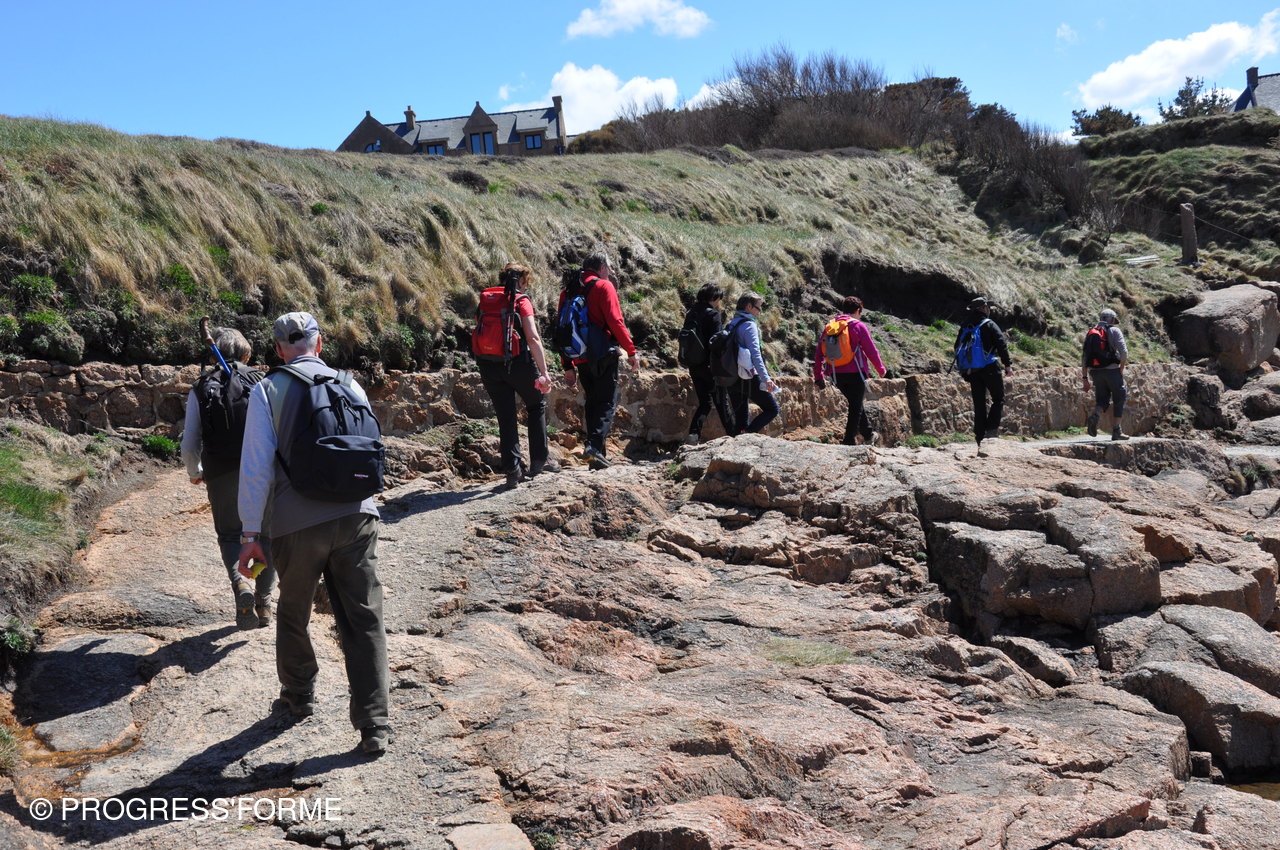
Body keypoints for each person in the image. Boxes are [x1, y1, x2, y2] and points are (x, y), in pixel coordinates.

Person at [236, 312, 391, 756]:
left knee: (294, 610)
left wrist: (250, 534)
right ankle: (374, 724)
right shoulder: (350, 384)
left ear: (279, 349)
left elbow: (256, 468)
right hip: (358, 515)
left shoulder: (268, 389)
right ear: (319, 344)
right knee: (364, 618)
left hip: (297, 522)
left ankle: (299, 694)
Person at [181, 327, 276, 630]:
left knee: (231, 536)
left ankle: (241, 583)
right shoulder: (263, 381)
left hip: (222, 472)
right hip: (264, 471)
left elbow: (190, 442)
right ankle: (263, 602)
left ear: (214, 356)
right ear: (247, 354)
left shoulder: (201, 386)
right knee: (267, 535)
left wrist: (195, 472)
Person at [476, 263, 555, 488]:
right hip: (518, 363)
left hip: (489, 364)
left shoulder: (487, 298)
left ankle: (512, 470)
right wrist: (544, 372)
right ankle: (539, 461)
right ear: (520, 280)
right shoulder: (521, 300)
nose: (526, 285)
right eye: (526, 281)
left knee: (506, 416)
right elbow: (532, 337)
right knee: (536, 404)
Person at [559, 253, 640, 469]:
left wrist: (567, 365)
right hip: (602, 353)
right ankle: (594, 447)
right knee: (607, 402)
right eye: (609, 268)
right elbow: (615, 320)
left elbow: (561, 330)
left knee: (593, 402)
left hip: (579, 355)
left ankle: (597, 457)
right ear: (602, 267)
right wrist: (631, 351)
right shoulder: (604, 286)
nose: (611, 272)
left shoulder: (568, 291)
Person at [813, 296, 887, 446]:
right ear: (858, 310)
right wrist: (881, 369)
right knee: (855, 406)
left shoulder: (830, 326)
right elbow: (871, 350)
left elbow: (819, 353)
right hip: (856, 373)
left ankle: (868, 433)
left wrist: (818, 375)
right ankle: (848, 441)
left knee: (855, 403)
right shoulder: (858, 326)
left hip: (836, 374)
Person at [954, 297, 1013, 450]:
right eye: (987, 307)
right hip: (990, 367)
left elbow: (956, 347)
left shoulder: (965, 325)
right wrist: (1007, 365)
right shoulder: (988, 324)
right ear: (983, 308)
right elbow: (1001, 343)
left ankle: (979, 436)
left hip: (972, 371)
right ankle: (991, 430)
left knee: (979, 403)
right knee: (998, 399)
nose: (989, 310)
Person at [682, 282, 734, 444]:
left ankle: (693, 436)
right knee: (722, 404)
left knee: (705, 403)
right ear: (714, 297)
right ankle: (736, 438)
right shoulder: (713, 315)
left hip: (694, 365)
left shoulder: (691, 313)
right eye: (719, 298)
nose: (719, 302)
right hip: (711, 367)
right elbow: (716, 342)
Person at [725, 293, 779, 436]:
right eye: (758, 308)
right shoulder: (749, 325)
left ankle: (738, 441)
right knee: (772, 409)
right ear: (749, 307)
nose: (759, 312)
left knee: (740, 420)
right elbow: (756, 355)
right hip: (748, 377)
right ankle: (747, 434)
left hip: (731, 377)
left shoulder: (731, 324)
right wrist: (766, 378)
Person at [1082, 308, 1130, 441]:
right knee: (1119, 397)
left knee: (1102, 399)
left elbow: (1084, 357)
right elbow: (1124, 352)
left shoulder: (1091, 332)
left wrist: (1085, 378)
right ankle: (1117, 431)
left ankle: (1096, 415)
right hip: (1112, 370)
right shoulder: (1114, 330)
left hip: (1095, 372)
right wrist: (1121, 368)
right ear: (1112, 319)